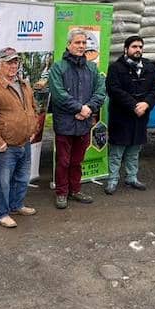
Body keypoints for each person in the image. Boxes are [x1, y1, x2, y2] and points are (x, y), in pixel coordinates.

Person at [0, 47, 39, 228]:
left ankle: (17, 205)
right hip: (6, 146)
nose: (13, 66)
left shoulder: (24, 84)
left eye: (15, 62)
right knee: (3, 183)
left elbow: (33, 108)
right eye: (9, 62)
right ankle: (2, 214)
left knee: (22, 178)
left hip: (24, 142)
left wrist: (33, 127)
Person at [48, 28, 106, 208]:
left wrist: (88, 109)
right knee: (63, 161)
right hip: (65, 123)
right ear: (69, 45)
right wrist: (80, 107)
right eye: (77, 43)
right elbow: (58, 95)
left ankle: (75, 190)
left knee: (77, 161)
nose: (81, 46)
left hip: (84, 123)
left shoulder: (91, 68)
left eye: (84, 43)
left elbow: (100, 91)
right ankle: (62, 193)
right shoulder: (58, 68)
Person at [104, 35, 155, 194]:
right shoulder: (116, 67)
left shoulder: (148, 67)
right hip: (121, 116)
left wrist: (147, 104)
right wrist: (133, 105)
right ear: (126, 49)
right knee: (117, 151)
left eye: (140, 47)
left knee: (135, 150)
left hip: (141, 116)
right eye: (134, 47)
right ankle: (113, 180)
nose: (138, 50)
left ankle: (131, 177)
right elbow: (114, 89)